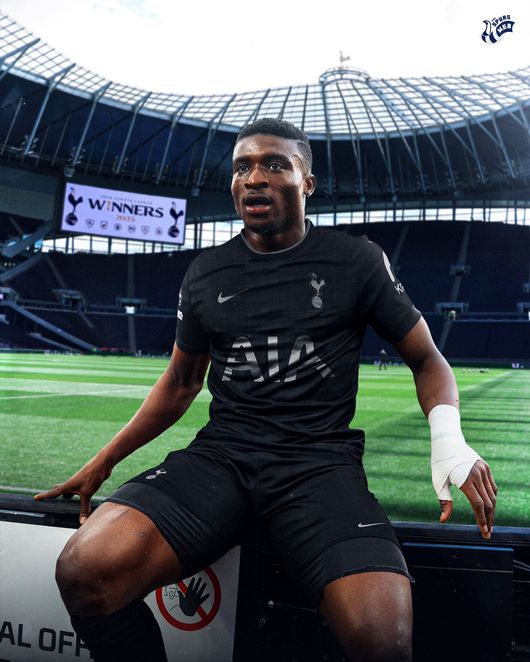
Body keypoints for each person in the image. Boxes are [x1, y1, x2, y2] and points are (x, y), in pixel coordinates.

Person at [36, 118, 497, 662]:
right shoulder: (206, 271)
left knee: (382, 640)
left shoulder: (355, 260)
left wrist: (449, 439)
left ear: (307, 183)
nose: (254, 178)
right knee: (84, 570)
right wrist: (105, 459)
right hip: (222, 461)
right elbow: (181, 383)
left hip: (318, 465)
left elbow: (426, 358)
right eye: (242, 167)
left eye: (275, 164)